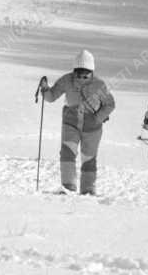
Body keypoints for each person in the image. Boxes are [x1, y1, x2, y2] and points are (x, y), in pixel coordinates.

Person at [39, 49, 115, 195]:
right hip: (70, 122)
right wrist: (45, 89)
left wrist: (98, 117)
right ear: (74, 70)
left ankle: (88, 190)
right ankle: (68, 187)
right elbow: (52, 96)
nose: (81, 75)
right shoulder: (66, 80)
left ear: (91, 71)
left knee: (88, 157)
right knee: (67, 153)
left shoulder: (99, 85)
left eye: (85, 72)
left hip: (92, 126)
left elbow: (110, 104)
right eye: (78, 72)